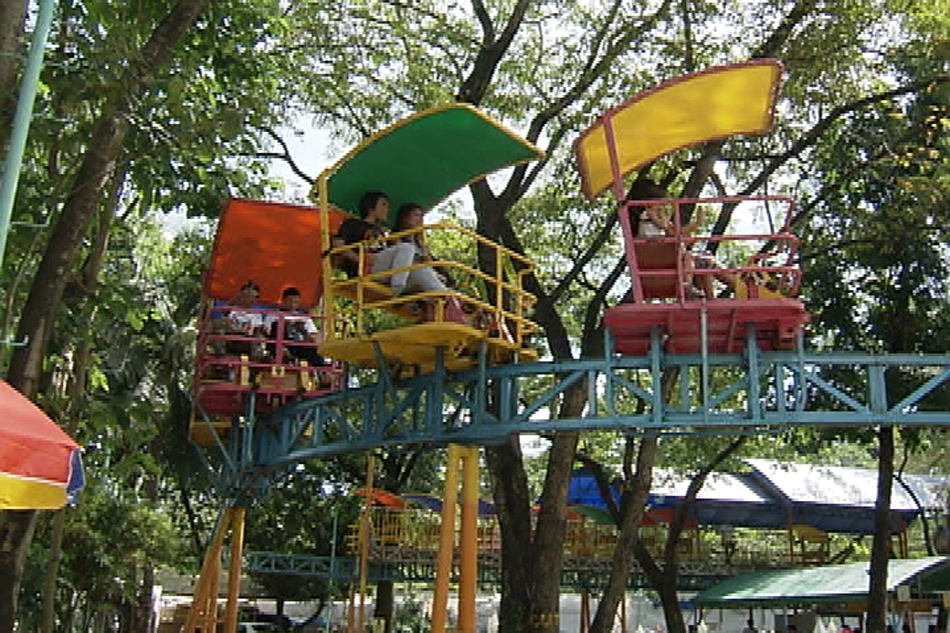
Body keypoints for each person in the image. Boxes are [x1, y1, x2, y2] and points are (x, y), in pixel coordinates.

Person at [332, 190, 389, 278]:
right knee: (405, 248)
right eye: (383, 204)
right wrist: (360, 261)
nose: (387, 209)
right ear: (371, 207)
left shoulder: (381, 232)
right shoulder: (353, 224)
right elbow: (338, 245)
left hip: (382, 268)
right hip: (363, 271)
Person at [264, 286, 324, 366]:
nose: (292, 304)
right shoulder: (273, 315)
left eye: (295, 302)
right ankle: (283, 353)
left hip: (296, 345)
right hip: (278, 344)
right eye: (289, 301)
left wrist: (303, 331)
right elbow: (267, 333)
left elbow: (313, 339)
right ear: (283, 301)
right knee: (277, 324)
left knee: (315, 353)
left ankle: (324, 374)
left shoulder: (304, 318)